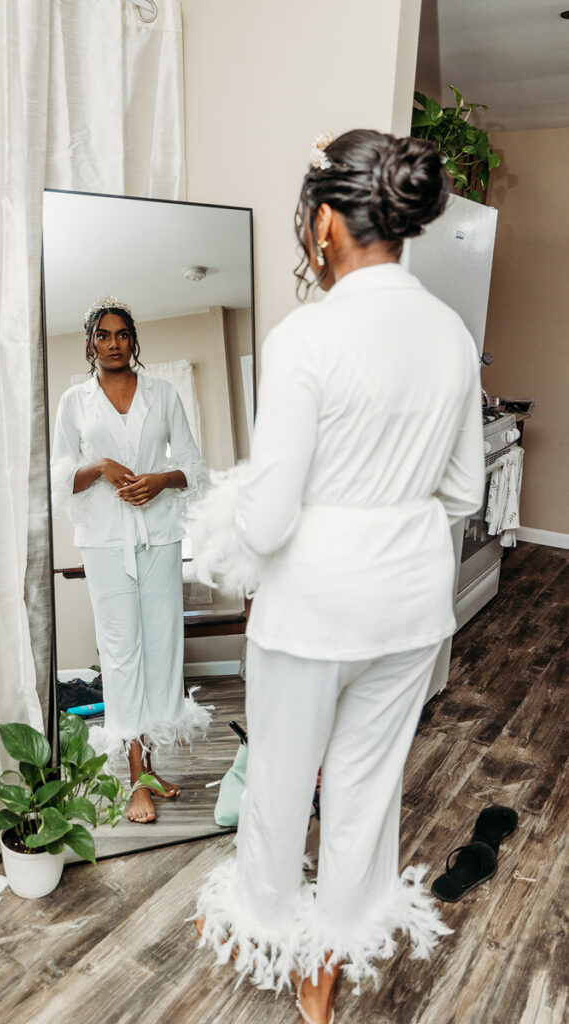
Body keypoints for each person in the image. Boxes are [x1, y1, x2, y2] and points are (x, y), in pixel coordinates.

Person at [189, 130, 484, 1023]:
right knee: (367, 785)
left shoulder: (306, 335)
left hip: (314, 605)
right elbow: (463, 489)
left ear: (324, 224)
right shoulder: (448, 331)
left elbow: (271, 518)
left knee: (282, 779)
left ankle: (270, 928)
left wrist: (219, 522)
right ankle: (330, 961)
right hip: (408, 604)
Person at [51, 297, 210, 823]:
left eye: (122, 334)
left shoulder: (164, 395)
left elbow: (194, 467)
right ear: (91, 343)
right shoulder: (74, 402)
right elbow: (55, 477)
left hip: (160, 536)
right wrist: (99, 465)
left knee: (163, 646)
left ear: (134, 341)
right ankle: (134, 774)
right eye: (103, 335)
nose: (113, 342)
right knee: (121, 653)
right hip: (103, 542)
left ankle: (152, 764)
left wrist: (160, 479)